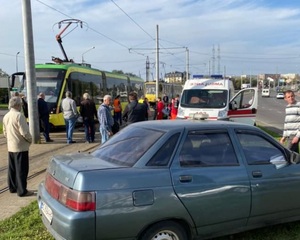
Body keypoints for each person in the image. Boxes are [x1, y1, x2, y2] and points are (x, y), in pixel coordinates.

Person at [3, 96, 33, 197]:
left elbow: (4, 132)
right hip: (20, 146)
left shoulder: (6, 116)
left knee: (12, 168)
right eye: (20, 105)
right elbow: (24, 132)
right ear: (18, 105)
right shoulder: (19, 116)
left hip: (11, 145)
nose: (21, 106)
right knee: (22, 169)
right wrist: (30, 140)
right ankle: (22, 190)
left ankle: (12, 187)